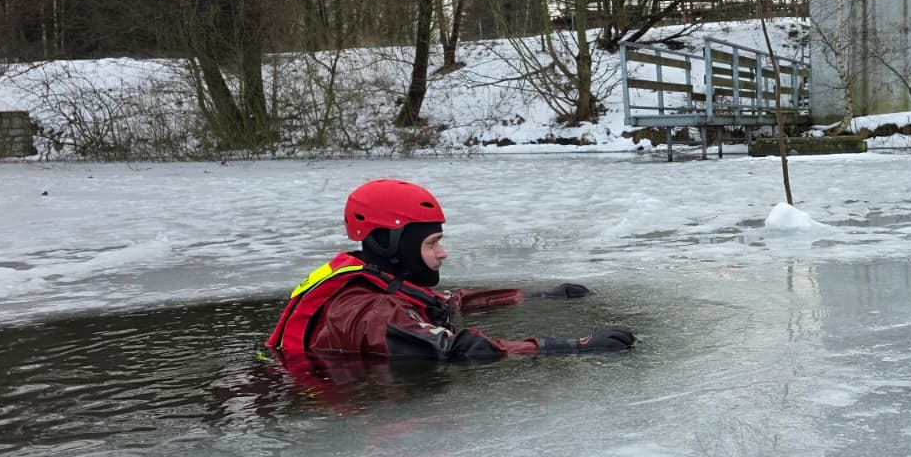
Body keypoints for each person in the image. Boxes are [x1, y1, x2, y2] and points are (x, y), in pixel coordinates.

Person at [267, 178, 635, 362]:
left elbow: (444, 303)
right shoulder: (373, 311)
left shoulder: (373, 281)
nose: (442, 254)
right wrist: (576, 346)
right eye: (431, 244)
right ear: (392, 246)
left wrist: (537, 295)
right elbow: (458, 348)